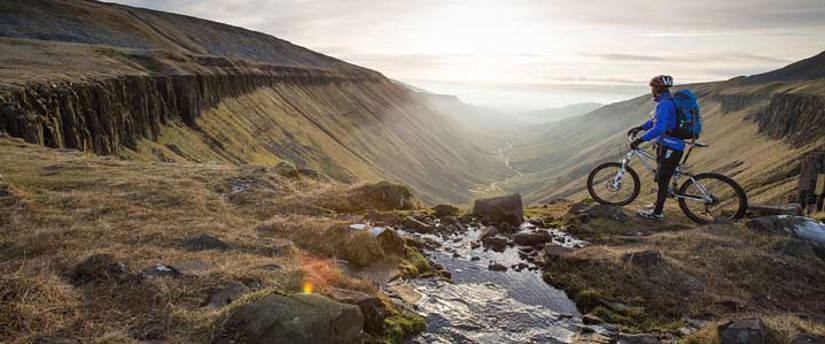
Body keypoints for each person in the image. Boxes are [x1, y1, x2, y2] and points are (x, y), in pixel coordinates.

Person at [626, 75, 685, 221]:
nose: (651, 90)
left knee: (663, 180)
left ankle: (657, 213)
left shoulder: (664, 104)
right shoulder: (666, 102)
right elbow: (655, 120)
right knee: (661, 177)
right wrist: (640, 127)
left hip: (670, 146)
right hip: (668, 145)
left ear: (657, 88)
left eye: (652, 87)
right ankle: (657, 205)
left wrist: (640, 140)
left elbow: (659, 127)